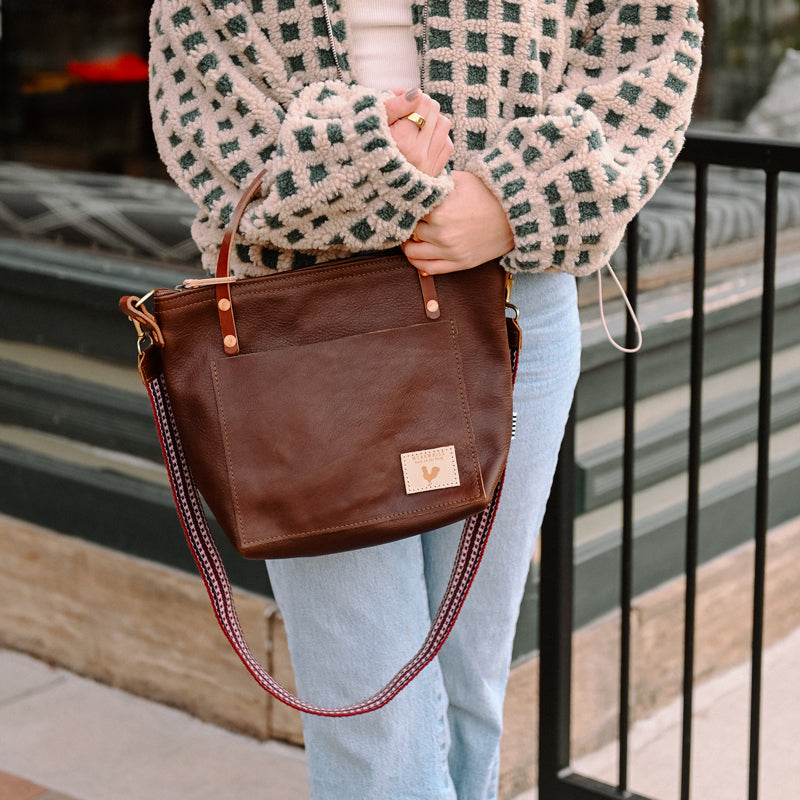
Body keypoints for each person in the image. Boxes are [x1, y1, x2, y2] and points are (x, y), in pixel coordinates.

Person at [148, 1, 702, 797]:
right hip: (305, 319)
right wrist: (370, 162)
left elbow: (650, 40)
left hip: (509, 298)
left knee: (468, 688)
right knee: (370, 714)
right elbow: (201, 95)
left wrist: (516, 199)